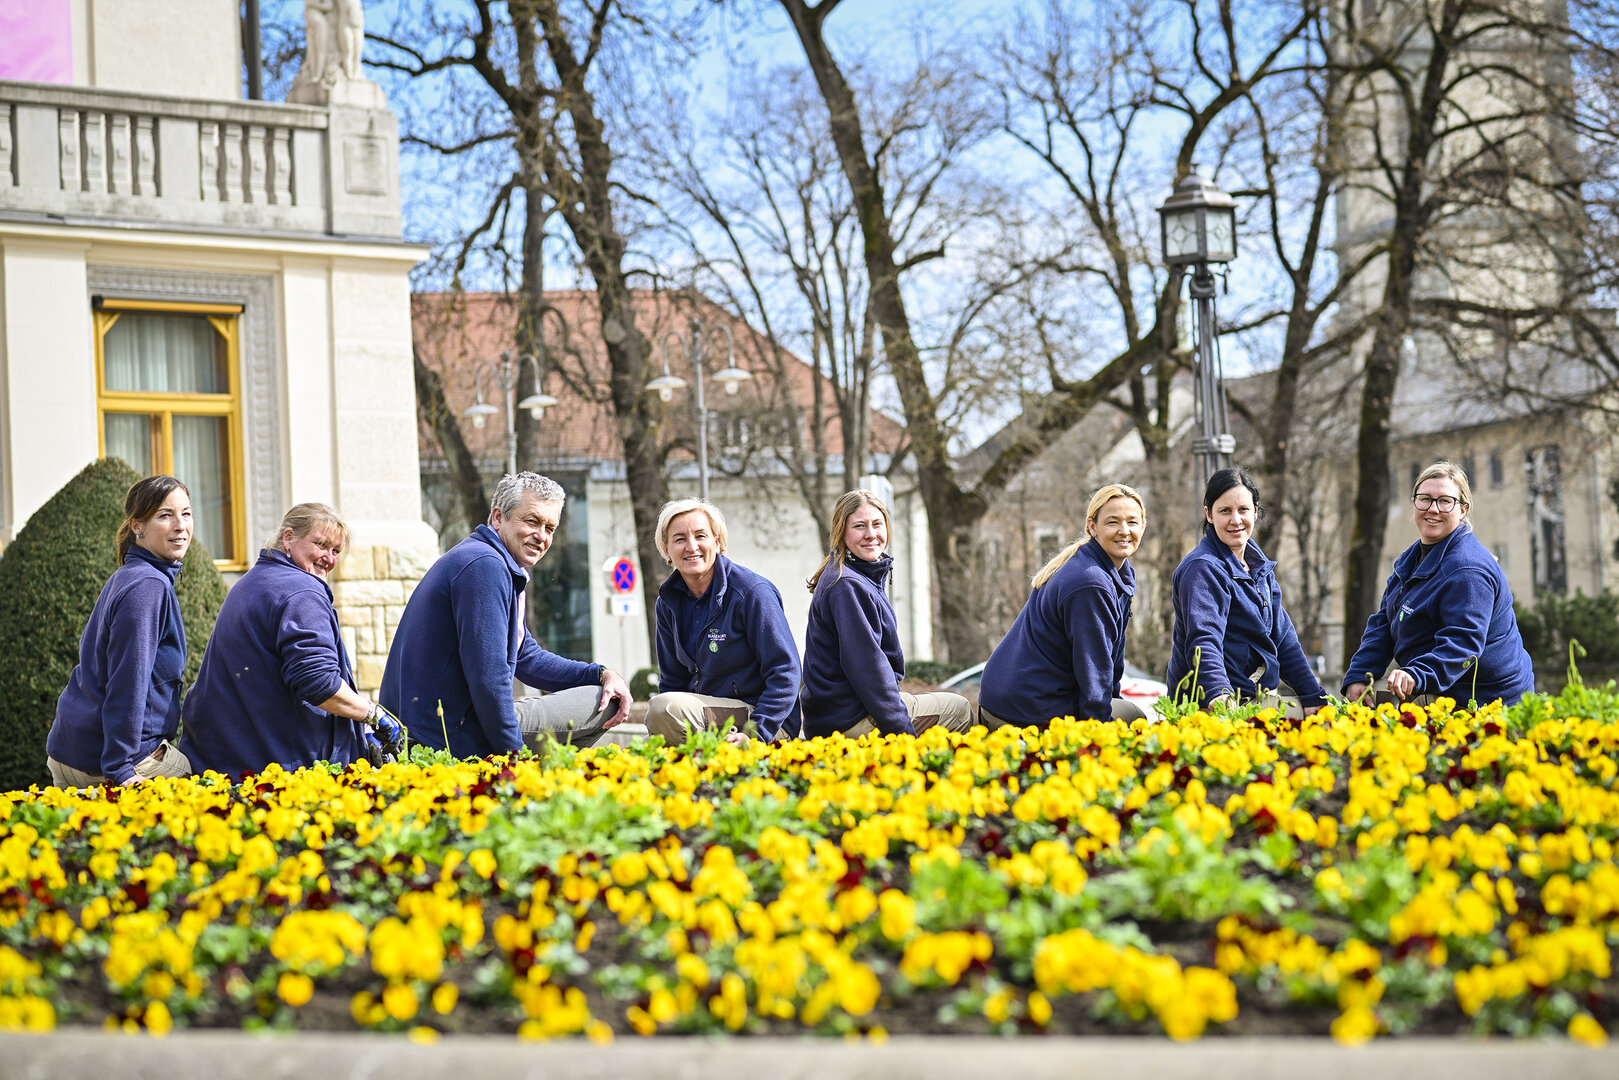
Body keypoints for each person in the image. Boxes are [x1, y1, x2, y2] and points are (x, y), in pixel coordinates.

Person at [380, 473, 632, 756]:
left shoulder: (488, 560)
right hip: (443, 738)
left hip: (430, 729)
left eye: (550, 528)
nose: (542, 536)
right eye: (532, 521)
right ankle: (537, 778)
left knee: (602, 689)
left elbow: (526, 657)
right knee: (603, 703)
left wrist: (599, 673)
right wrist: (513, 759)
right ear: (498, 518)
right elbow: (489, 678)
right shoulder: (485, 566)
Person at [179, 504, 398, 779]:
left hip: (228, 764)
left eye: (336, 551)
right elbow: (318, 683)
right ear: (288, 538)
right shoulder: (302, 591)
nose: (328, 558)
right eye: (320, 544)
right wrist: (373, 715)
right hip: (274, 773)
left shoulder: (255, 580)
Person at [1343, 460, 1533, 707]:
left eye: (1445, 501)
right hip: (1439, 687)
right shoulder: (1411, 559)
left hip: (1485, 702)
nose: (1433, 509)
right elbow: (1385, 622)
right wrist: (1361, 674)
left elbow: (1462, 643)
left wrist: (1416, 674)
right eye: (1425, 499)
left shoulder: (1468, 569)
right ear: (1414, 504)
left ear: (1462, 509)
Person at [46, 475, 195, 787]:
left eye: (186, 513)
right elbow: (128, 679)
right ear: (136, 526)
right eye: (165, 516)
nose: (180, 526)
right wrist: (120, 768)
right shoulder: (148, 586)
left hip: (70, 752)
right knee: (213, 785)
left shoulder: (129, 575)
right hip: (112, 762)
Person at [801, 490, 972, 738]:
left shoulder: (852, 576)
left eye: (877, 524)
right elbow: (869, 671)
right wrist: (903, 735)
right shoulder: (848, 586)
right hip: (848, 720)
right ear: (842, 532)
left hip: (838, 713)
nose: (871, 534)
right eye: (859, 526)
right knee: (960, 709)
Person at [979, 484, 1148, 728]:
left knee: (1121, 710)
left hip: (1009, 701)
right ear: (1092, 527)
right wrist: (1100, 739)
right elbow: (1094, 670)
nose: (1124, 531)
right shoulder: (1091, 582)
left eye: (1132, 522)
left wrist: (1110, 704)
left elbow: (1111, 664)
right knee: (1133, 719)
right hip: (1024, 710)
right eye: (1112, 522)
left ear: (1143, 526)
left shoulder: (1114, 573)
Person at [1165, 468, 1327, 714]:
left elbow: (1284, 640)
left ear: (1255, 511)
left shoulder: (1259, 568)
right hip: (1208, 707)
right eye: (1225, 511)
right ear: (1209, 514)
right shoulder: (1203, 568)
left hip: (1252, 701)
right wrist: (1218, 692)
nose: (1236, 520)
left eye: (1243, 510)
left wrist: (1313, 695)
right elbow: (1204, 638)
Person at [645, 498, 801, 745]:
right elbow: (672, 681)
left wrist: (755, 734)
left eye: (700, 536)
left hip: (764, 719)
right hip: (706, 715)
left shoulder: (751, 592)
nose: (691, 546)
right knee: (647, 746)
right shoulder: (667, 602)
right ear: (666, 549)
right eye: (680, 539)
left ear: (717, 543)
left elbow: (785, 671)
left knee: (664, 709)